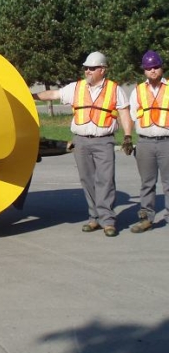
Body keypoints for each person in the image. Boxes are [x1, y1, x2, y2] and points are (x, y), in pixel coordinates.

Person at [32, 52, 133, 237]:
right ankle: (94, 217)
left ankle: (107, 220)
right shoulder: (76, 87)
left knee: (105, 180)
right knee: (87, 180)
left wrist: (127, 136)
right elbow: (53, 94)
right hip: (81, 141)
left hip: (104, 140)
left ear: (102, 70)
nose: (88, 71)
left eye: (92, 68)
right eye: (86, 68)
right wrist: (30, 95)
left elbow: (124, 113)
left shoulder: (114, 89)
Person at [129, 50, 169, 233]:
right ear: (144, 70)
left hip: (166, 141)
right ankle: (146, 218)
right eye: (149, 68)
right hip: (145, 142)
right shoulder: (137, 91)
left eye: (156, 67)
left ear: (162, 68)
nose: (153, 70)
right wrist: (128, 137)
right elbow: (131, 115)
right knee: (147, 183)